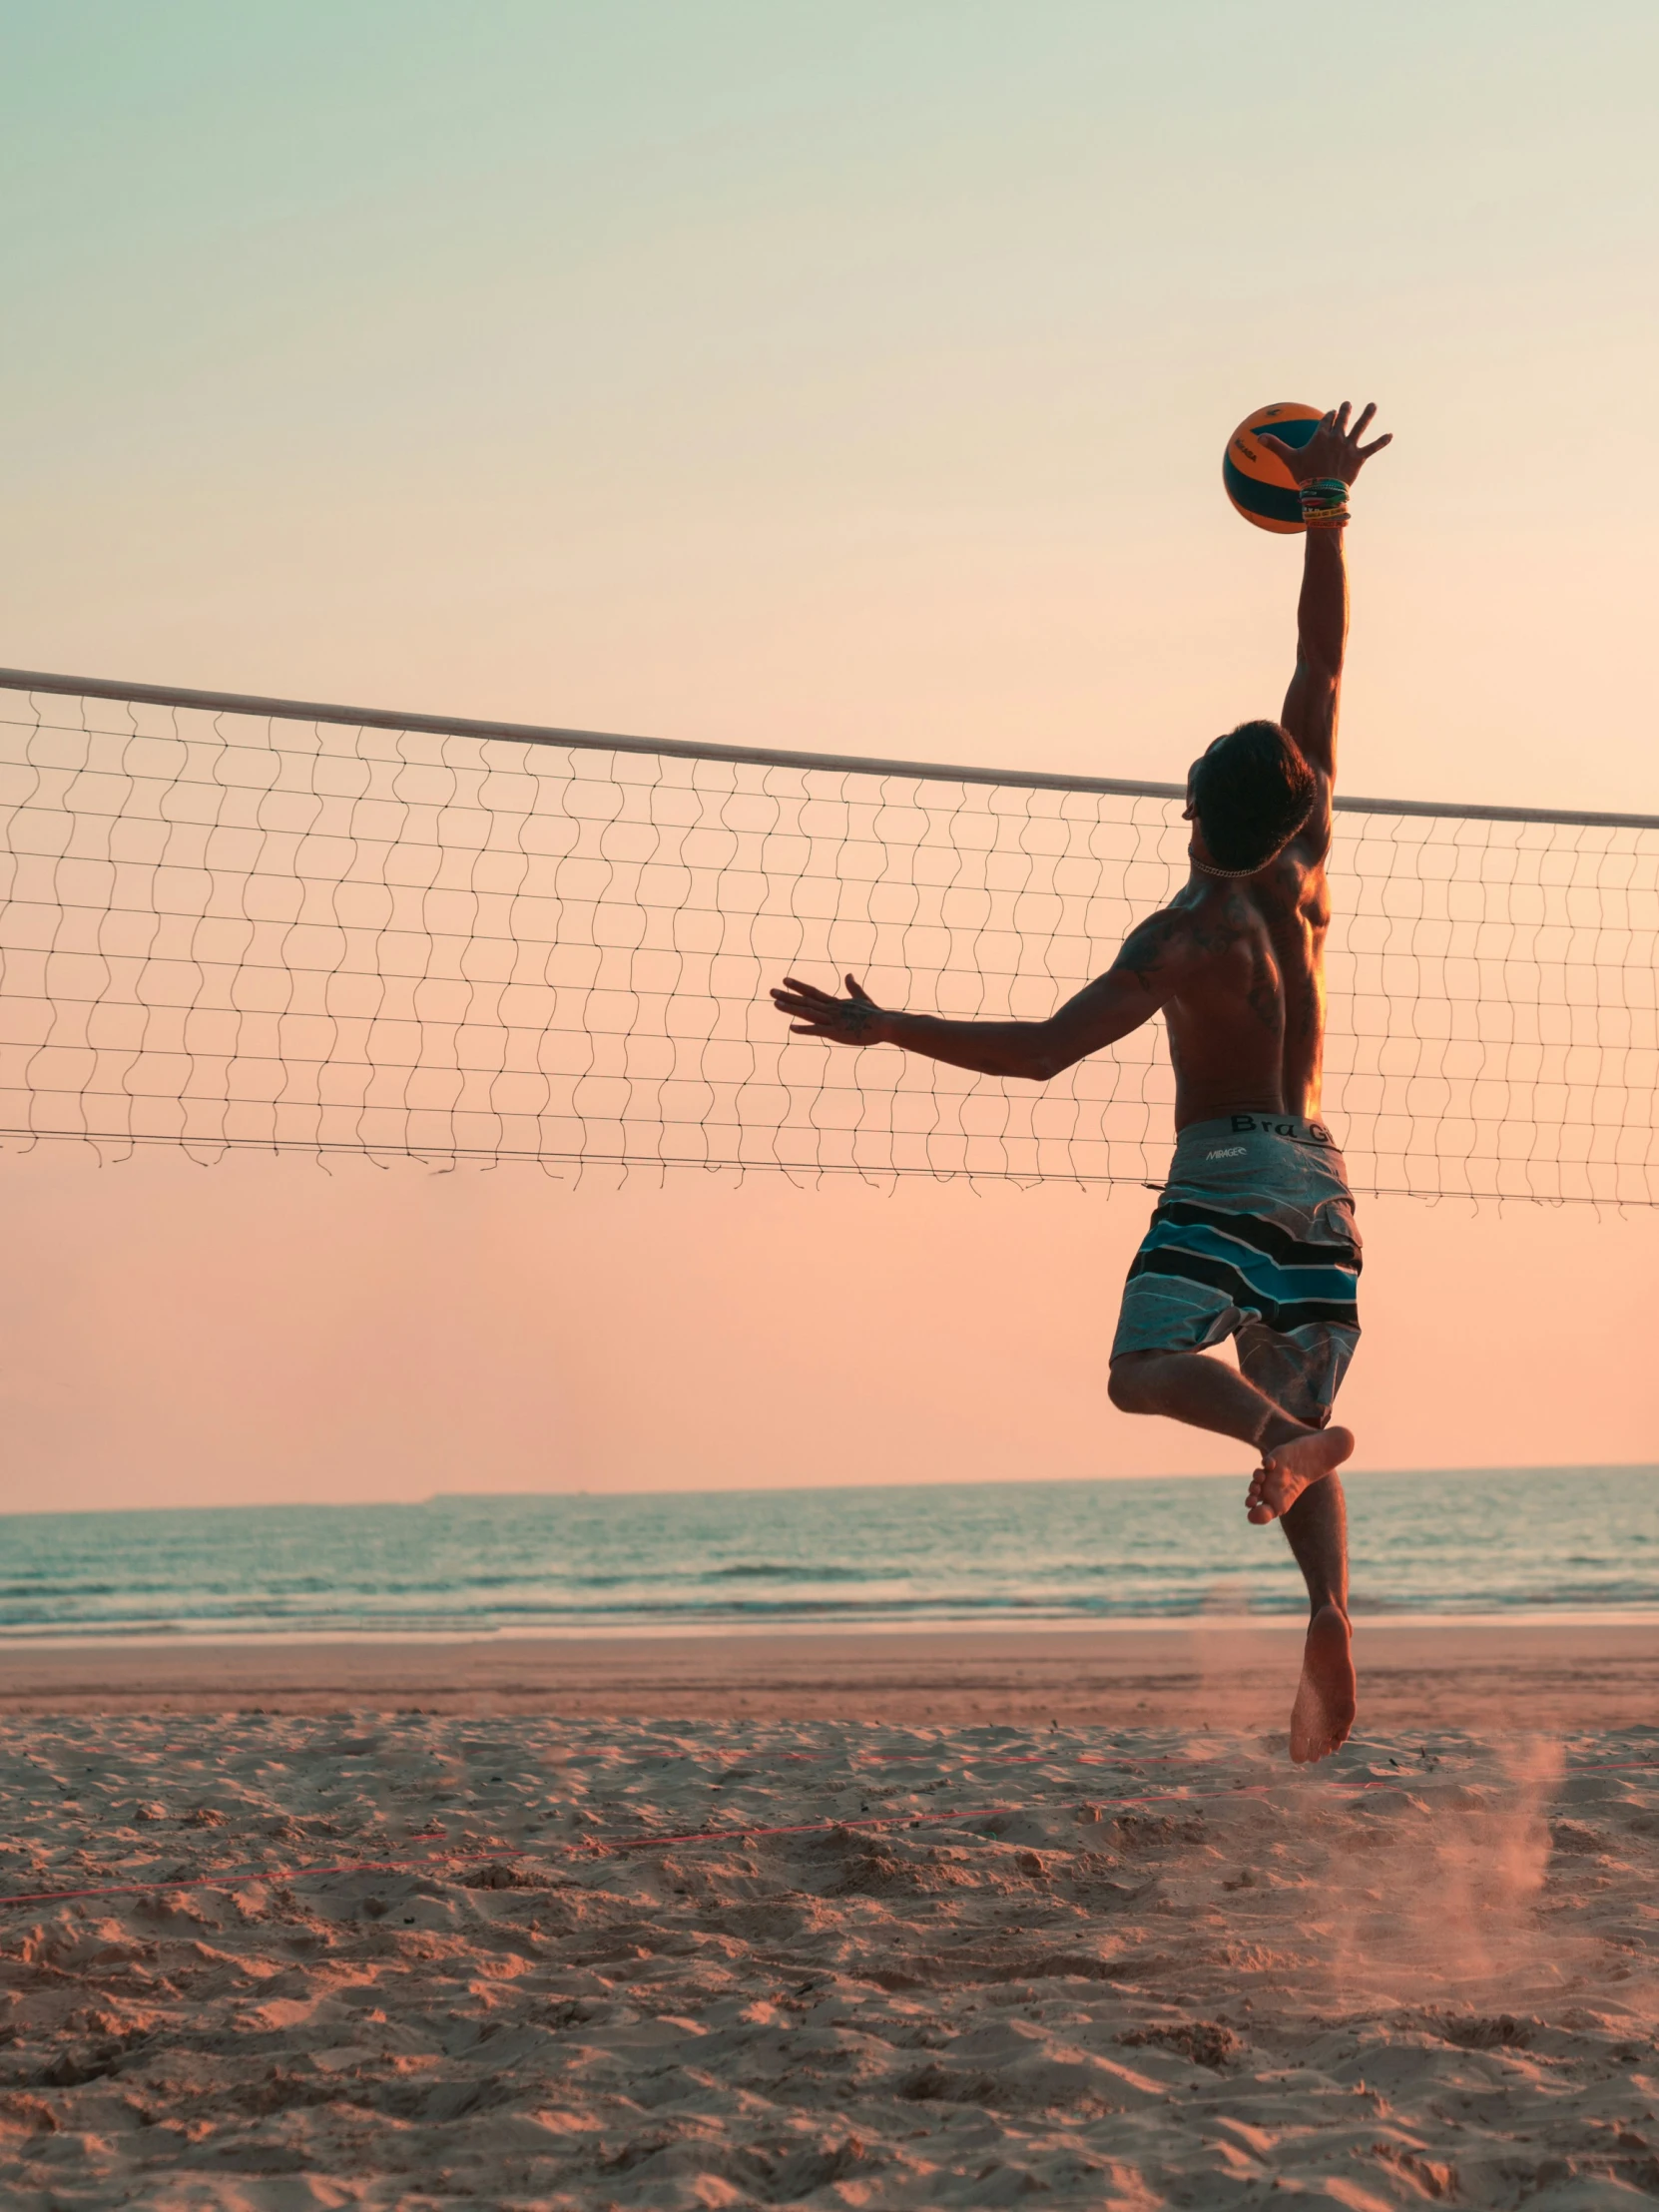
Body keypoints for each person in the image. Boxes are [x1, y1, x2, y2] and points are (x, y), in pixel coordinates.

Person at [770, 402, 1392, 1763]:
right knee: (1302, 1407)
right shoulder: (1309, 871)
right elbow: (1320, 670)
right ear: (1295, 807)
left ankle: (1278, 1443)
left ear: (1193, 815)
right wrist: (1326, 510)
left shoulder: (1179, 941)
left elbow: (1042, 1051)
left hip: (1224, 1170)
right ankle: (1330, 1611)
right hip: (1321, 1172)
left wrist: (890, 1029)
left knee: (1143, 1369)